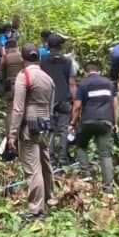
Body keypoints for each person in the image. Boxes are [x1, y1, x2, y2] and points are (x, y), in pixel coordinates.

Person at [7, 42, 56, 220]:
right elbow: (51, 107)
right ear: (39, 57)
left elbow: (18, 108)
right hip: (45, 124)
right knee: (45, 162)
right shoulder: (47, 78)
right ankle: (50, 199)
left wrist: (12, 133)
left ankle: (36, 209)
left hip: (29, 125)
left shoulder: (24, 76)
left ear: (22, 58)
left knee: (32, 168)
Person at [70, 60, 117, 192]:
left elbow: (77, 106)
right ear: (100, 71)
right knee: (105, 154)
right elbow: (115, 104)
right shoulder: (109, 84)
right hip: (106, 122)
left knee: (80, 145)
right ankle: (108, 187)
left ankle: (87, 174)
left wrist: (73, 123)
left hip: (88, 121)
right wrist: (115, 122)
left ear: (86, 72)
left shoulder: (84, 84)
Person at [41, 34, 76, 166]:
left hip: (47, 98)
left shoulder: (42, 61)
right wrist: (75, 100)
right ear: (61, 47)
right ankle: (62, 158)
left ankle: (50, 158)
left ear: (48, 46)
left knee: (48, 129)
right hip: (64, 98)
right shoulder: (68, 61)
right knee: (63, 129)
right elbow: (72, 83)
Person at [0, 40, 26, 144]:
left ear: (7, 48)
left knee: (10, 111)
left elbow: (2, 75)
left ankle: (9, 136)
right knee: (22, 109)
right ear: (16, 46)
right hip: (22, 85)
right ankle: (21, 135)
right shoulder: (22, 57)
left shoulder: (5, 58)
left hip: (10, 86)